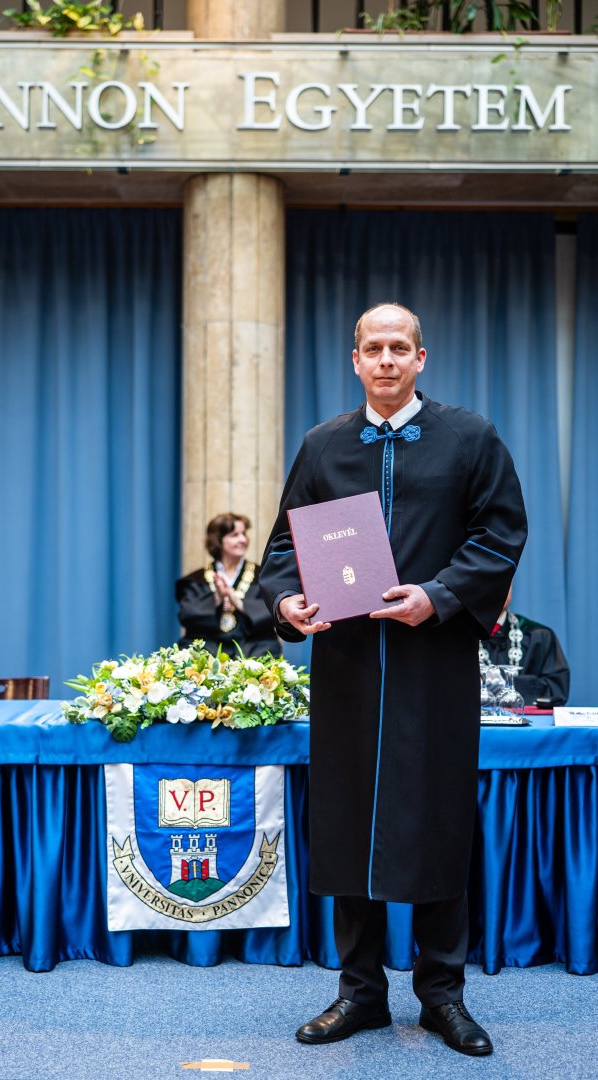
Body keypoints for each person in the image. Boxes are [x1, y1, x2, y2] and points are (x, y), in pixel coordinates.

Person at [259, 303, 527, 1057]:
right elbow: (284, 546)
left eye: (398, 348)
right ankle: (360, 992)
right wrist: (286, 601)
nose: (385, 359)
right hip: (347, 666)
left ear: (420, 358)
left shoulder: (469, 438)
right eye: (372, 348)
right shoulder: (323, 445)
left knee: (439, 820)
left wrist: (438, 596)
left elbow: (501, 534)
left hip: (432, 665)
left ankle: (443, 995)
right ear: (355, 360)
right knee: (347, 822)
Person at [176, 512, 280, 658]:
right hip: (209, 648)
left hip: (254, 647)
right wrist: (217, 598)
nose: (242, 539)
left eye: (244, 534)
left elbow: (276, 613)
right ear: (218, 540)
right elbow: (187, 616)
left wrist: (237, 601)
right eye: (234, 535)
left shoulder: (263, 576)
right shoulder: (195, 580)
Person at [480, 584, 569, 707]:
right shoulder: (459, 638)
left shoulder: (539, 636)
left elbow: (556, 690)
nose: (497, 589)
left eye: (504, 581)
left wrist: (509, 685)